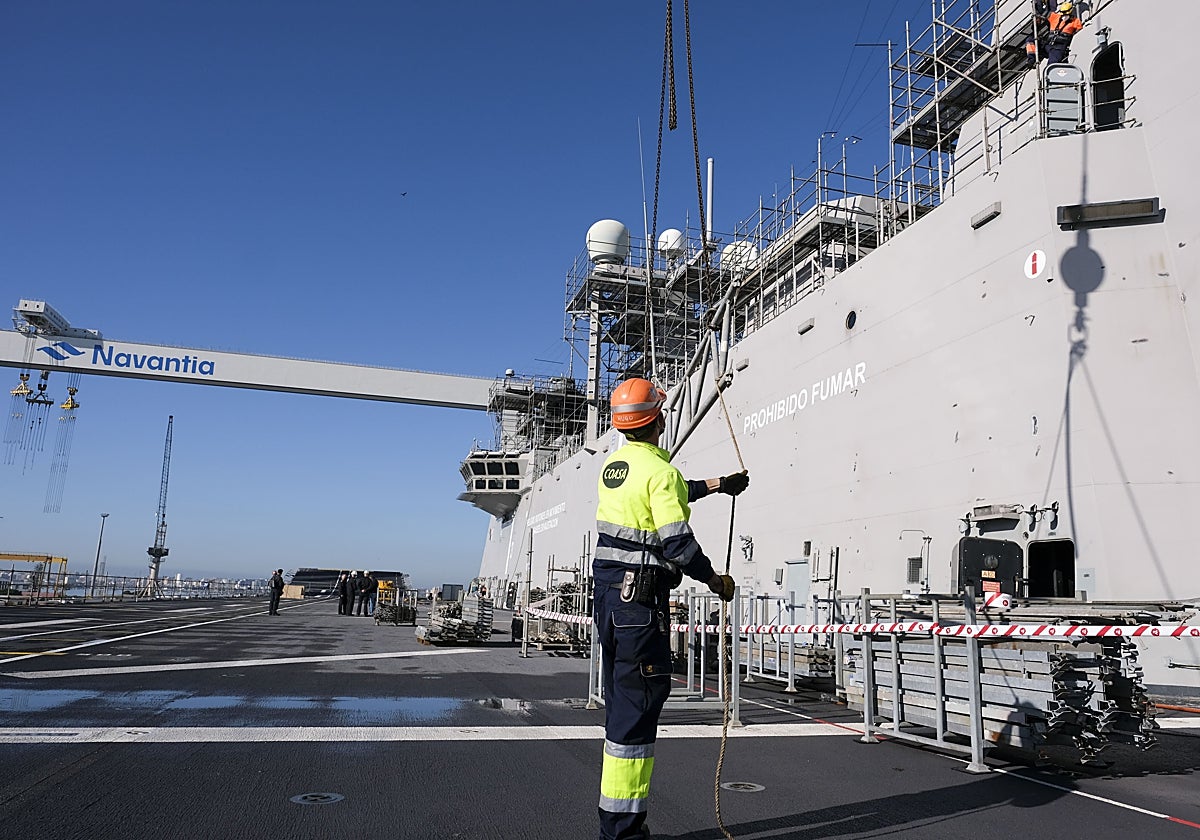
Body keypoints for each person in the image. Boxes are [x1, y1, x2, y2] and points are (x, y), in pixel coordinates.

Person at [593, 377, 747, 840]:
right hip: (641, 606)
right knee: (637, 713)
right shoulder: (660, 473)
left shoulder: (616, 466)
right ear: (658, 420)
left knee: (623, 705)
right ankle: (622, 832)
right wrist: (715, 580)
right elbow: (678, 544)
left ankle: (618, 827)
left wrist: (720, 485)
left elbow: (670, 489)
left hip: (611, 602)